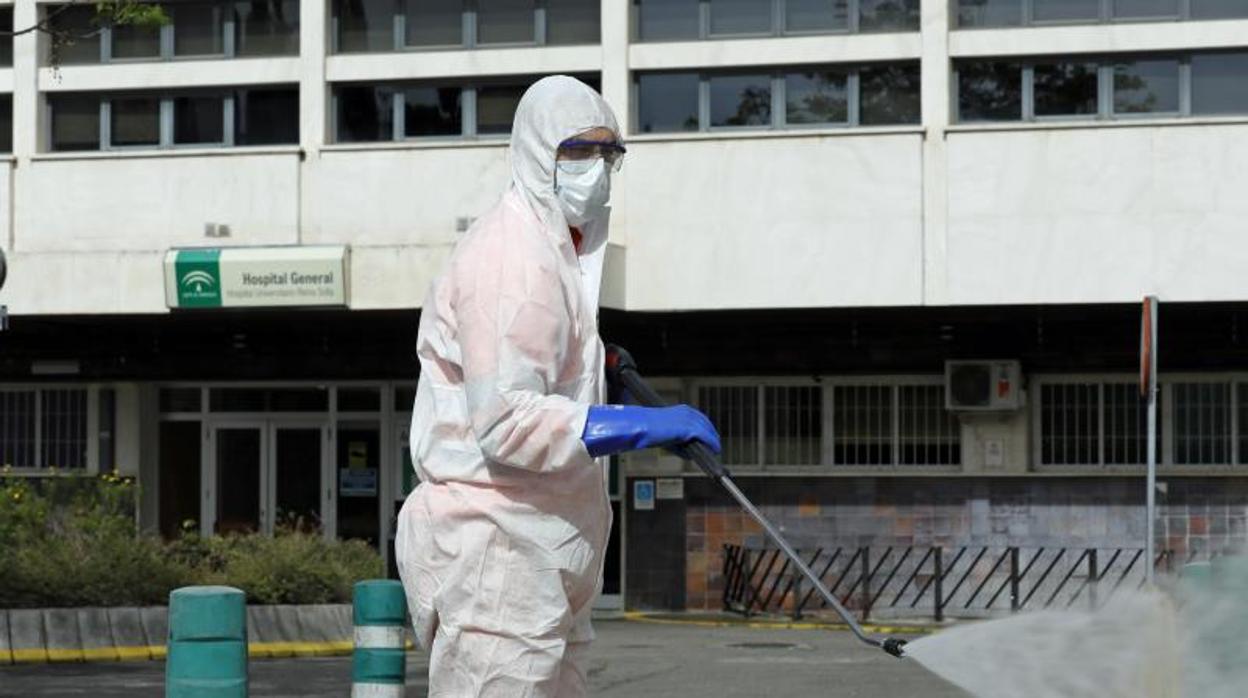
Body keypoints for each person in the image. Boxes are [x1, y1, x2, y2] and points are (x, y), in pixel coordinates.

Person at [395, 75, 721, 697]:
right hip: (496, 550)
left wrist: (598, 366)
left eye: (608, 153)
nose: (595, 169)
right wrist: (641, 425)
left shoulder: (557, 253)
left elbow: (533, 366)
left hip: (540, 555)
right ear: (536, 152)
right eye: (577, 151)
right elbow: (507, 421)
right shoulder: (509, 260)